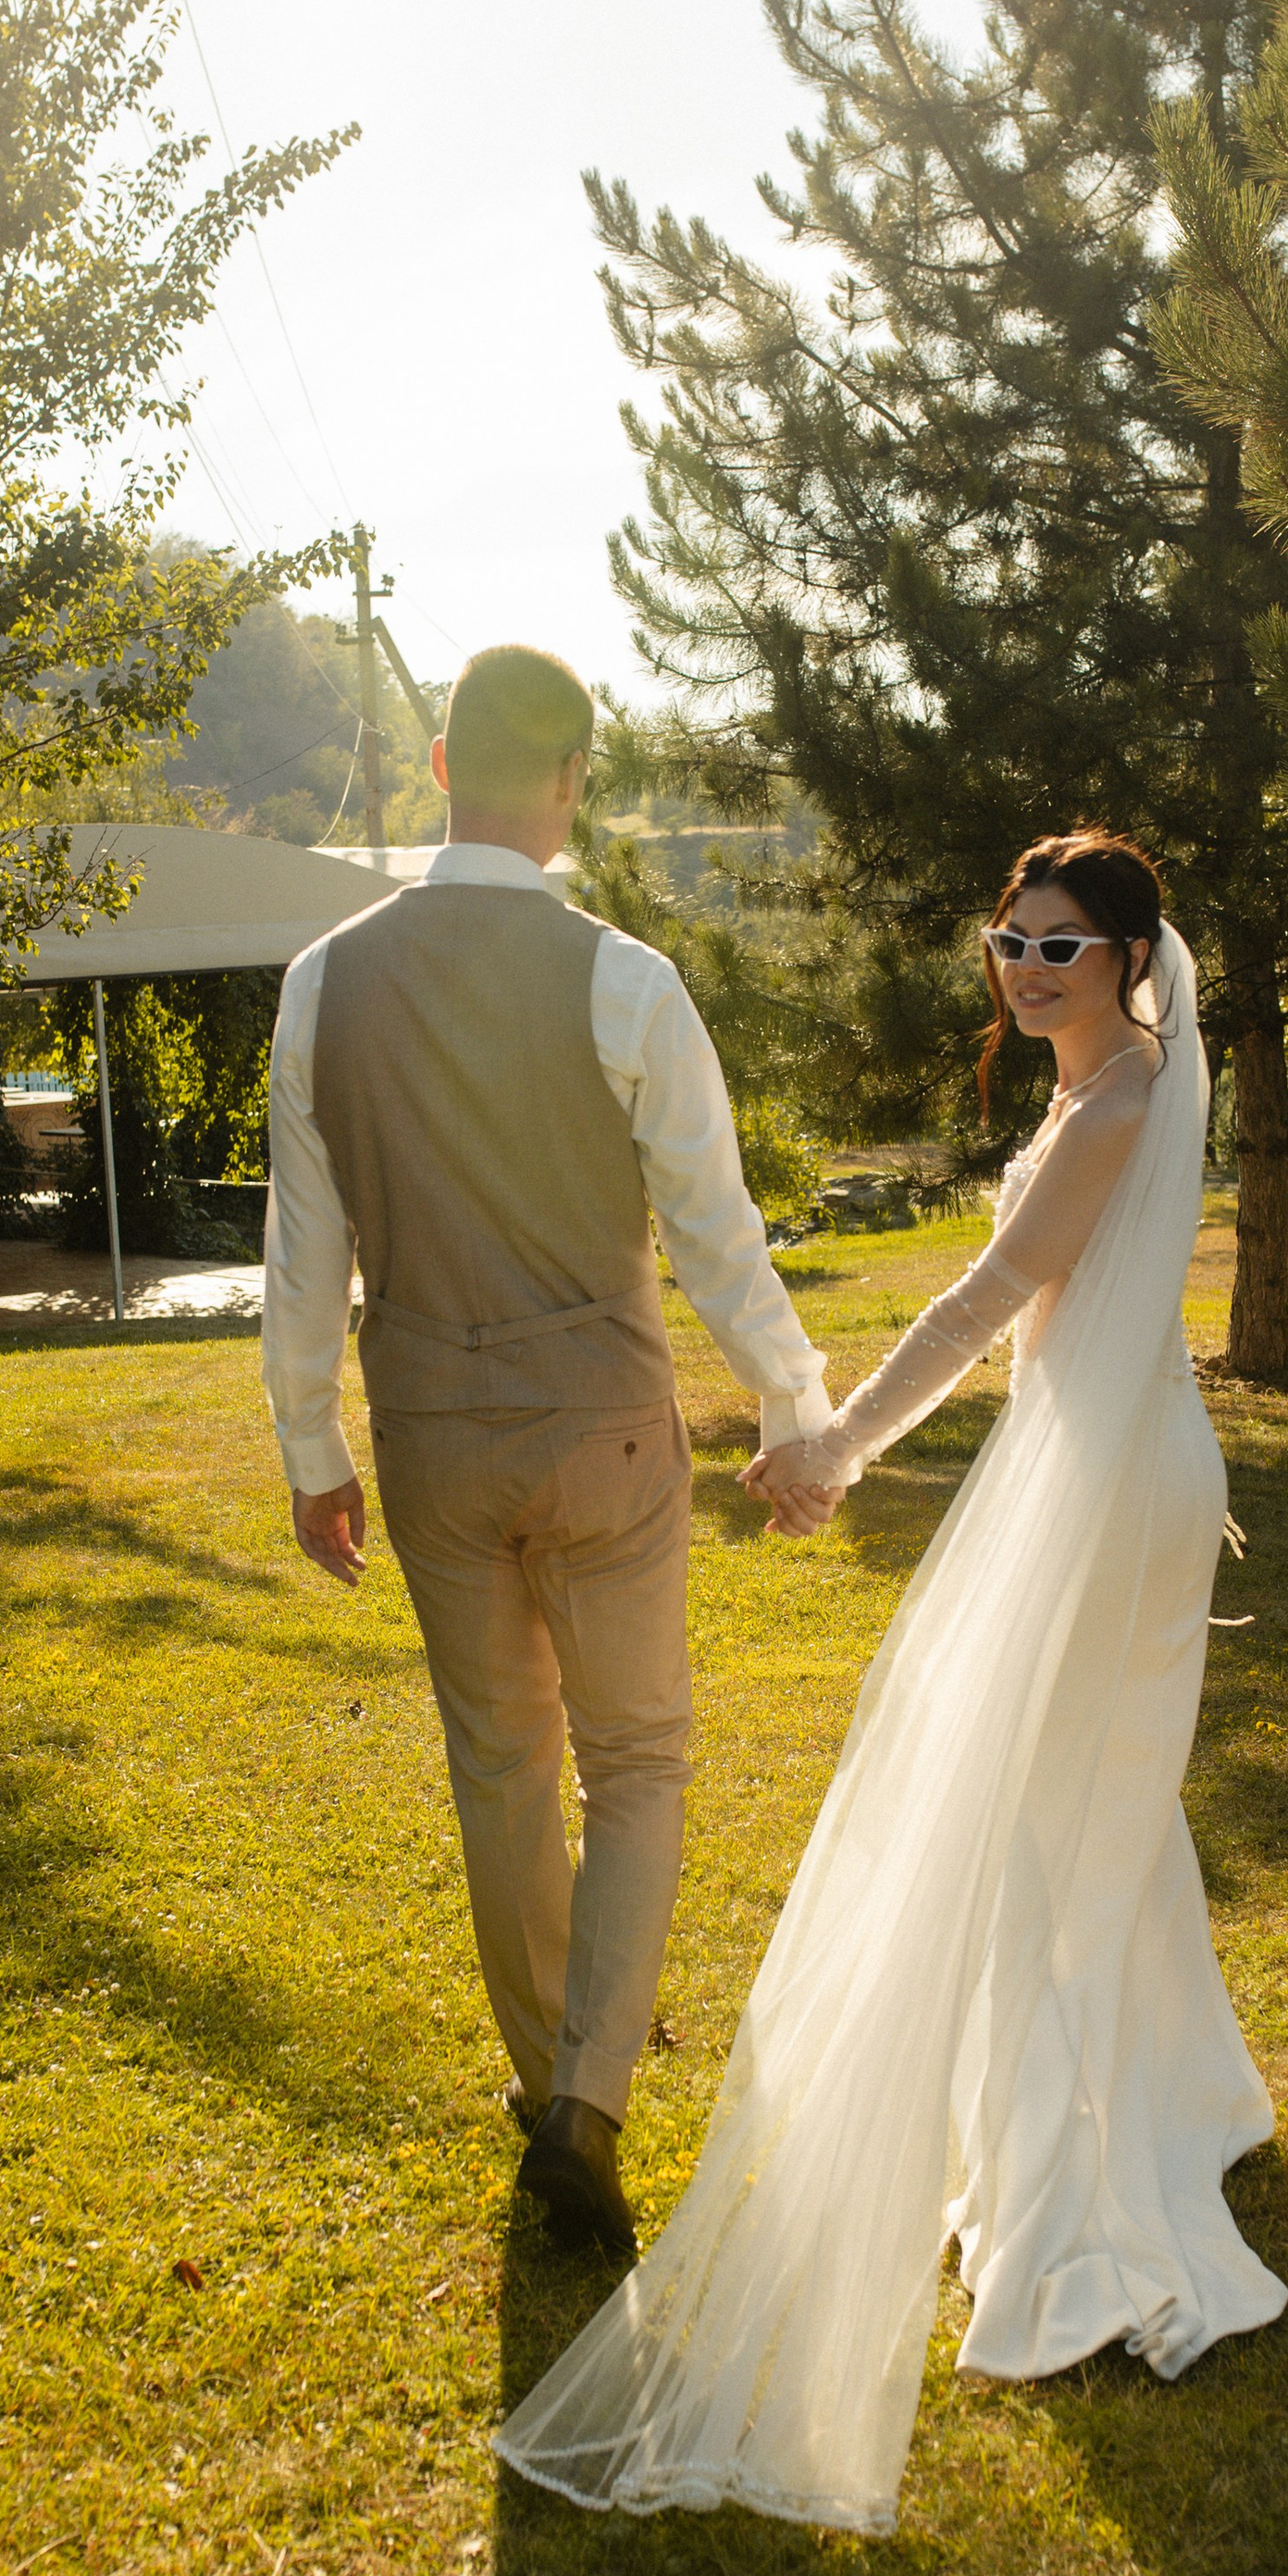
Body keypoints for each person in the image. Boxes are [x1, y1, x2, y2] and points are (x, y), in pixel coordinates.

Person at [495, 829, 1287, 2536]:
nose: (1028, 966)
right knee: (1097, 1807)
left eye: (1063, 946)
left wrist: (839, 1440)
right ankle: (1184, 2099)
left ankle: (1086, 2191)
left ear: (1133, 959)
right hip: (1102, 1460)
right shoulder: (1097, 1096)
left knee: (1042, 1820)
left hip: (1117, 1483)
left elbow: (994, 1292)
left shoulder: (1129, 1101)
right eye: (1011, 938)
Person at [261, 641, 835, 2259]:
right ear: (575, 783)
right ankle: (588, 2098)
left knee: (502, 1764)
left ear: (440, 766)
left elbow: (305, 1253)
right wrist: (797, 1416)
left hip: (432, 1437)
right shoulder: (626, 979)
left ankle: (544, 2089)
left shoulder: (323, 983)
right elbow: (717, 1236)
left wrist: (313, 1449)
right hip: (606, 1434)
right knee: (637, 1759)